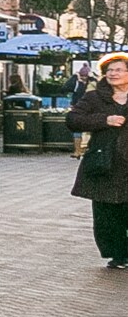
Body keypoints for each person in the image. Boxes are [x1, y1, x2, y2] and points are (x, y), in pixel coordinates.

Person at [68, 51, 128, 269]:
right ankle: (118, 255)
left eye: (118, 70)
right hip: (105, 163)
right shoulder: (95, 97)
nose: (113, 74)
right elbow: (73, 120)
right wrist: (105, 120)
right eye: (109, 70)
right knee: (107, 213)